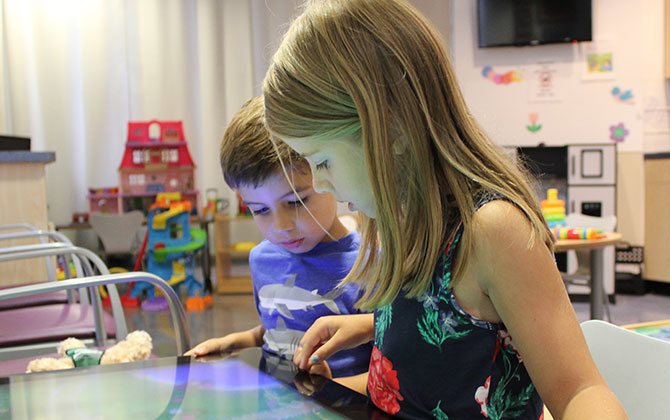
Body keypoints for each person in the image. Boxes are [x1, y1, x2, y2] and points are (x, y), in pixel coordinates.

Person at [262, 0, 628, 418]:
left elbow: (582, 391)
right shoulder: (400, 219)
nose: (318, 181)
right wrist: (371, 330)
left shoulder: (491, 231)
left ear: (391, 126)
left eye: (322, 160)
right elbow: (444, 356)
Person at [185, 96, 372, 379]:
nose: (281, 226)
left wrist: (336, 386)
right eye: (260, 210)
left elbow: (394, 363)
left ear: (328, 175)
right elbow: (278, 330)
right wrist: (237, 342)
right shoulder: (261, 259)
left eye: (296, 202)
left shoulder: (370, 262)